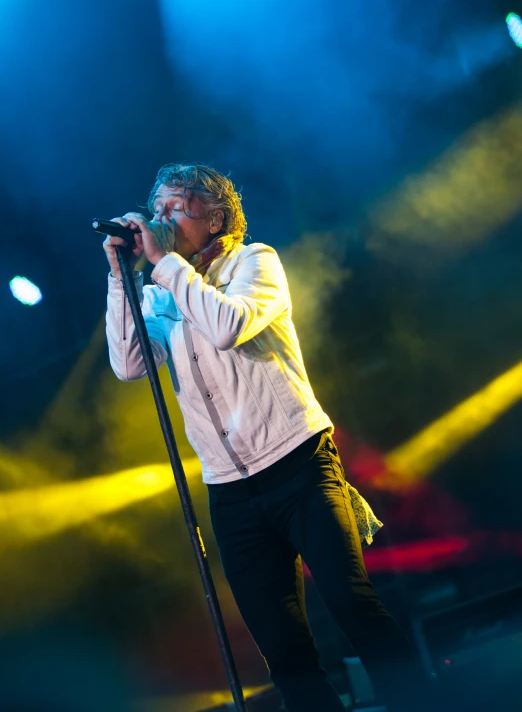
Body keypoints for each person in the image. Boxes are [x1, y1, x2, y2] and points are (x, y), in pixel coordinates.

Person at [103, 163, 438, 712]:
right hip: (231, 492)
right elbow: (130, 363)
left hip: (298, 464)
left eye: (174, 207)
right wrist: (121, 274)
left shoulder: (253, 262)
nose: (160, 219)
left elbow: (228, 326)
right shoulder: (162, 293)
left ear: (214, 218)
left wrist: (163, 263)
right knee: (283, 652)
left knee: (353, 607)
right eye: (156, 209)